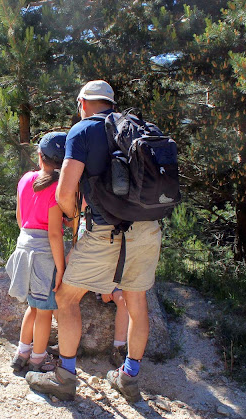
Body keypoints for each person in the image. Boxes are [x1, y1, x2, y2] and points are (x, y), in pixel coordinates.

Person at [26, 80, 162, 402]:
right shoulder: (136, 127)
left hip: (106, 232)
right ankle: (128, 377)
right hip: (148, 230)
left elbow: (63, 192)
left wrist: (74, 217)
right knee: (136, 301)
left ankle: (65, 377)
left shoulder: (83, 130)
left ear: (82, 103)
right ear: (111, 103)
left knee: (66, 297)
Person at [6, 132, 67, 373]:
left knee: (32, 306)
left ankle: (21, 354)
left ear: (39, 156)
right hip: (44, 254)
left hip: (23, 246)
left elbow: (20, 217)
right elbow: (54, 234)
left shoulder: (26, 179)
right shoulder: (57, 188)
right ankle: (38, 360)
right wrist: (60, 267)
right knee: (45, 311)